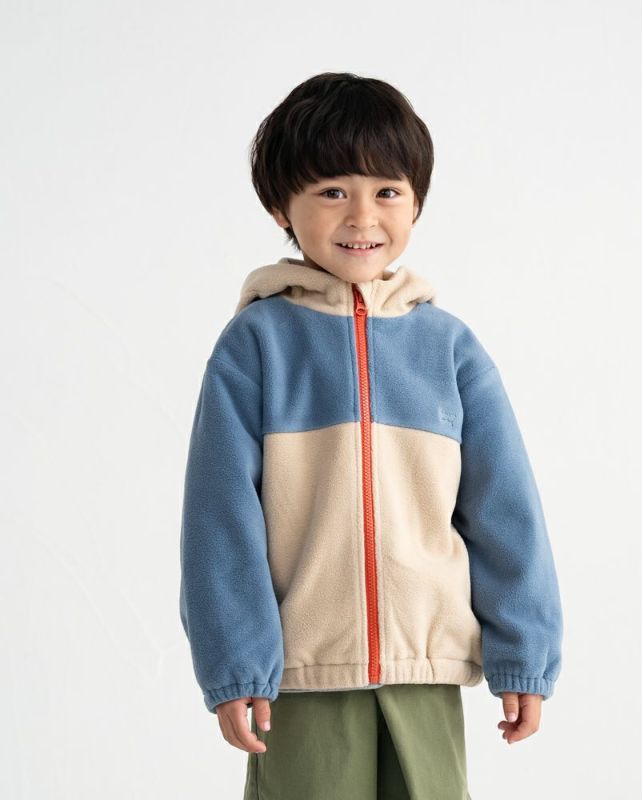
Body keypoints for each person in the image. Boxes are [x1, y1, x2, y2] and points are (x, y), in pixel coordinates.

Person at [179, 71, 564, 800]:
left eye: (387, 191)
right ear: (279, 206)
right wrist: (235, 662)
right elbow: (218, 516)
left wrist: (525, 648)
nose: (362, 215)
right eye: (332, 191)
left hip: (426, 667)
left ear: (416, 202)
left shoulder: (450, 349)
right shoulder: (255, 345)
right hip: (301, 676)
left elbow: (505, 507)